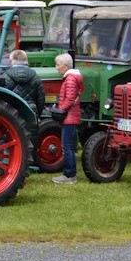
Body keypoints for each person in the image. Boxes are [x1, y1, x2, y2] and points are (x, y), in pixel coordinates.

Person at [52, 53, 84, 185]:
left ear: (65, 66)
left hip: (69, 117)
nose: (56, 68)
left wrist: (61, 109)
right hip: (71, 116)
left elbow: (70, 99)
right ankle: (71, 174)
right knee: (69, 146)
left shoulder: (70, 79)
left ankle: (69, 175)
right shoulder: (71, 77)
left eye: (58, 65)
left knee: (67, 147)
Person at [2, 49, 45, 116]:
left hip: (11, 113)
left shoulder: (6, 76)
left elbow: (2, 97)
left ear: (11, 60)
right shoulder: (35, 76)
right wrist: (38, 114)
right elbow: (41, 98)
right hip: (31, 111)